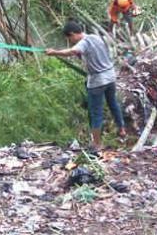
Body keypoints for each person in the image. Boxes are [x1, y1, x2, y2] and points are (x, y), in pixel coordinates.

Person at [46, 21, 127, 151]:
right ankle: (122, 129)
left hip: (97, 81)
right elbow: (91, 54)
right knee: (113, 103)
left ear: (72, 34)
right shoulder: (96, 37)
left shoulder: (83, 42)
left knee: (96, 113)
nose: (71, 41)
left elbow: (72, 51)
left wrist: (54, 52)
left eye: (69, 38)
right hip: (111, 77)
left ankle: (97, 144)